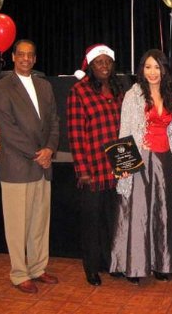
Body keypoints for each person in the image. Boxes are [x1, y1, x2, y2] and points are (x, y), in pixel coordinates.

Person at [0, 39, 60, 294]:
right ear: (13, 56)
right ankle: (20, 274)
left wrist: (50, 149)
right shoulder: (1, 88)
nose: (26, 59)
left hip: (42, 164)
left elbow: (54, 121)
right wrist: (37, 153)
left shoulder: (44, 86)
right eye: (21, 54)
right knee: (17, 224)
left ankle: (38, 268)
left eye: (30, 55)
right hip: (18, 167)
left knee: (40, 222)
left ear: (35, 58)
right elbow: (8, 131)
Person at [111, 49, 172, 285]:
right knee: (138, 211)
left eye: (157, 67)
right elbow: (125, 131)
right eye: (148, 67)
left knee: (163, 211)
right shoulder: (134, 95)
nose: (152, 72)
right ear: (142, 69)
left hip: (165, 160)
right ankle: (136, 264)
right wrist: (124, 168)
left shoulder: (171, 95)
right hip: (141, 158)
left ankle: (163, 262)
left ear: (164, 70)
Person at [67, 44, 125, 286]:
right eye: (99, 62)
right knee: (91, 223)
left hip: (117, 168)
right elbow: (75, 134)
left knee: (114, 221)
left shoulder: (118, 90)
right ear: (90, 65)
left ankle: (113, 264)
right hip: (92, 169)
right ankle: (91, 268)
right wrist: (83, 171)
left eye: (108, 62)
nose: (104, 66)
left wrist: (127, 167)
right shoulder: (78, 92)